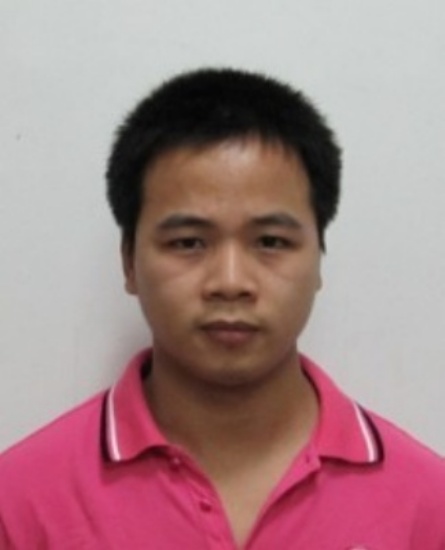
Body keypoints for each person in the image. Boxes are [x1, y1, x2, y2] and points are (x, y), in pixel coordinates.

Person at [0, 68, 444, 550]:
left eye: (271, 242)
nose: (230, 283)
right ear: (128, 262)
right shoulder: (20, 503)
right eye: (188, 242)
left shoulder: (428, 506)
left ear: (319, 258)